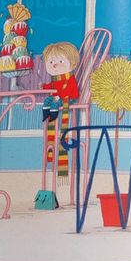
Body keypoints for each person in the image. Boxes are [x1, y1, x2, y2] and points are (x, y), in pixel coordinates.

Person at [40, 42, 80, 177]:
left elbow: (70, 90)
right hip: (58, 97)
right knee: (47, 101)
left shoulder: (70, 79)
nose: (55, 65)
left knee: (55, 104)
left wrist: (60, 96)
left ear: (72, 64)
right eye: (51, 62)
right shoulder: (56, 79)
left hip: (68, 99)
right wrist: (44, 86)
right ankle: (47, 114)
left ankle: (53, 114)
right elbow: (52, 86)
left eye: (60, 61)